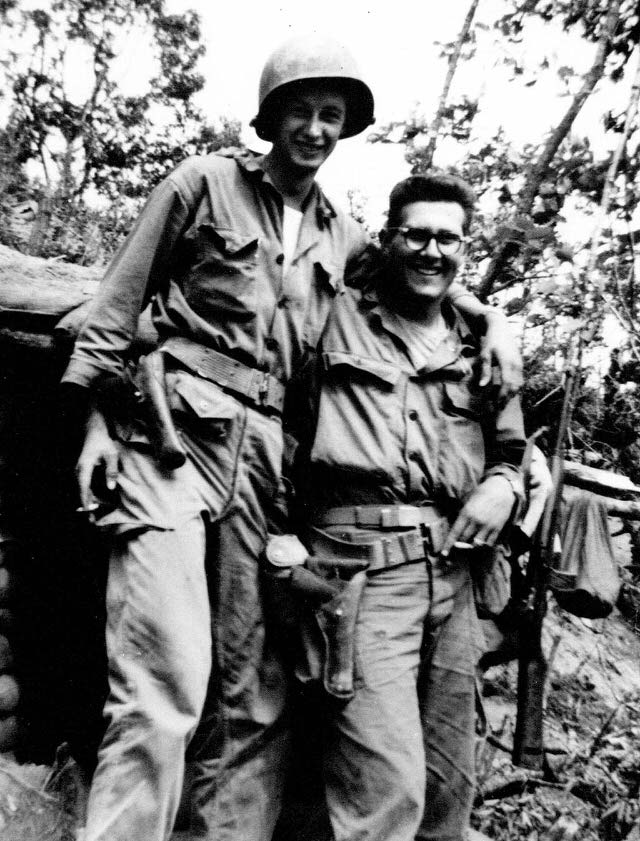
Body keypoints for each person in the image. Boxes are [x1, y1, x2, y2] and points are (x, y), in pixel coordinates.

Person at [61, 34, 521, 841]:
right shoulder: (202, 184)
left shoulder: (342, 240)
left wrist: (495, 323)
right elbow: (115, 306)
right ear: (271, 117)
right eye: (300, 111)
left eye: (331, 116)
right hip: (171, 440)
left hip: (265, 468)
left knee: (251, 696)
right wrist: (94, 421)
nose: (315, 128)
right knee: (168, 681)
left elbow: (425, 276)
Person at [282, 172, 527, 841]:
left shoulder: (482, 348)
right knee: (384, 795)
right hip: (360, 576)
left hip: (455, 580)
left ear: (464, 248)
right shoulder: (333, 318)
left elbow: (513, 453)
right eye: (415, 233)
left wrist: (503, 485)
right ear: (387, 238)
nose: (431, 250)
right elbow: (281, 424)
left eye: (447, 237)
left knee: (448, 791)